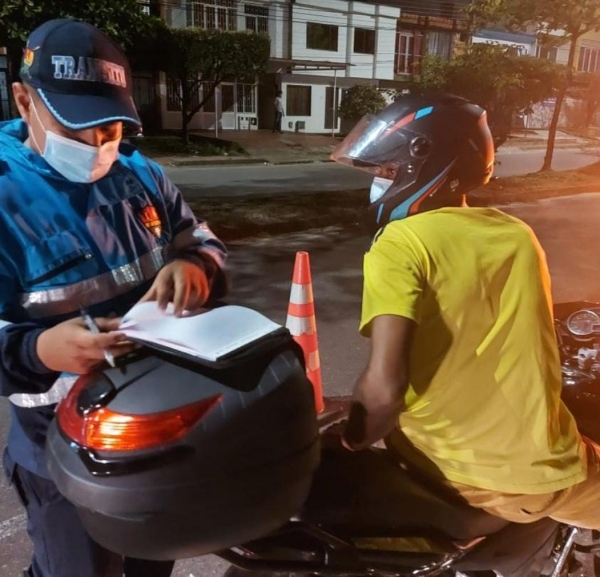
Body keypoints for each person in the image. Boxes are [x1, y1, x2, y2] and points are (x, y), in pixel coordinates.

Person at [0, 19, 227, 577]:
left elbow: (201, 238)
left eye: (112, 128)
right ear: (24, 100)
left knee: (153, 565)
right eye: (80, 129)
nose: (100, 146)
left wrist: (194, 266)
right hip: (61, 445)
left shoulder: (139, 174)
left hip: (155, 425)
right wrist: (40, 351)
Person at [328, 94, 600, 529]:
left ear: (427, 164)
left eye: (386, 171)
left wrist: (349, 442)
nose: (378, 182)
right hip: (516, 476)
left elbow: (383, 392)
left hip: (422, 447)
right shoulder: (517, 235)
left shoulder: (398, 245)